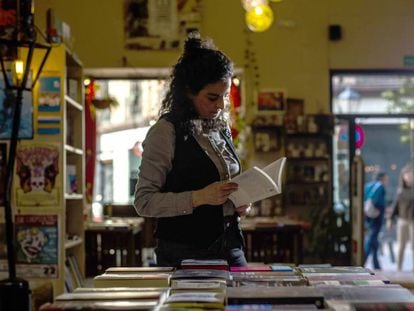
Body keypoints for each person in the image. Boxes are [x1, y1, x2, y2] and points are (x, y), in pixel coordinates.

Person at [134, 32, 250, 267]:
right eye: (212, 97)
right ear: (188, 92)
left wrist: (241, 201)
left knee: (242, 302)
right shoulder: (166, 132)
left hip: (231, 244)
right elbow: (144, 201)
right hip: (184, 251)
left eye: (225, 97)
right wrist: (199, 197)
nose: (220, 106)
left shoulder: (220, 128)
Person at [387, 163, 414, 271]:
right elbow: (395, 206)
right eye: (406, 174)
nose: (409, 176)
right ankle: (399, 268)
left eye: (411, 174)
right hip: (402, 220)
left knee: (413, 246)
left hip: (413, 221)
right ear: (403, 176)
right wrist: (389, 219)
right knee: (401, 246)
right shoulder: (400, 190)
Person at [364, 171, 388, 270]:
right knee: (372, 239)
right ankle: (363, 259)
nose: (387, 182)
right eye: (386, 179)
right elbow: (380, 202)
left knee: (373, 239)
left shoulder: (368, 185)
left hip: (367, 215)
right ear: (382, 179)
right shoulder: (380, 186)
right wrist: (383, 211)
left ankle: (376, 263)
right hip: (376, 216)